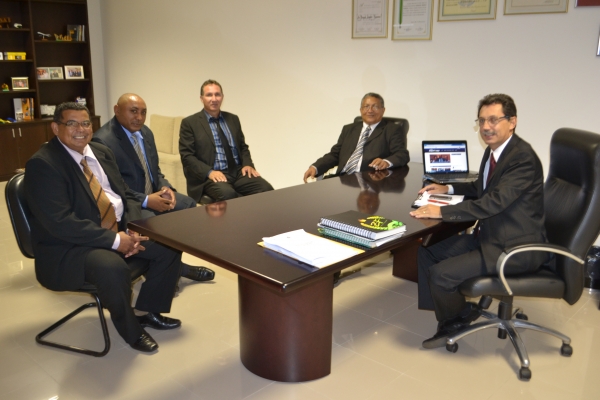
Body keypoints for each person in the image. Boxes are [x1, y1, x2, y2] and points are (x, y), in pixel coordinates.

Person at [25, 102, 184, 353]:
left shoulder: (100, 151)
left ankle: (147, 311)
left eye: (85, 123)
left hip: (115, 229)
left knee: (168, 244)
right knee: (112, 267)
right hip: (70, 247)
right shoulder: (43, 164)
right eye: (72, 123)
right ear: (55, 128)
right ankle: (131, 331)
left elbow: (126, 195)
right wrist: (116, 241)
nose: (81, 129)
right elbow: (61, 223)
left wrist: (132, 230)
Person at [409, 93, 548, 349]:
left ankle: (454, 321)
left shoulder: (522, 158)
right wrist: (448, 188)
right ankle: (454, 312)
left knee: (441, 274)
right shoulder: (494, 151)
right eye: (481, 120)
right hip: (490, 236)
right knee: (427, 250)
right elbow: (482, 188)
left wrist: (441, 212)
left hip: (513, 248)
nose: (486, 127)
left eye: (493, 120)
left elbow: (493, 202)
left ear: (512, 121)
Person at [93, 93, 215, 283]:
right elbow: (112, 186)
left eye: (143, 112)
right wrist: (147, 200)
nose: (139, 117)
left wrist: (166, 188)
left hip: (153, 193)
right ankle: (175, 270)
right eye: (133, 111)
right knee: (155, 225)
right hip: (129, 204)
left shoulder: (146, 132)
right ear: (117, 110)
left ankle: (171, 267)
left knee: (188, 205)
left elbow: (154, 170)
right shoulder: (103, 141)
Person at [179, 80, 274, 202]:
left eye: (217, 94)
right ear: (201, 98)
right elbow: (187, 157)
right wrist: (209, 172)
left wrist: (248, 164)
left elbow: (242, 146)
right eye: (209, 95)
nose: (214, 99)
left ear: (222, 97)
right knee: (228, 195)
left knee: (266, 189)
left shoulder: (233, 119)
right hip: (210, 176)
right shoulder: (190, 123)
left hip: (237, 172)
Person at [303, 93, 409, 183]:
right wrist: (316, 167)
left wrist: (386, 162)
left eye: (375, 107)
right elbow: (335, 154)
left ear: (383, 110)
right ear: (361, 110)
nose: (370, 110)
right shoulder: (348, 129)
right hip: (342, 180)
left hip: (369, 182)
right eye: (366, 106)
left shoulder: (392, 129)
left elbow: (402, 154)